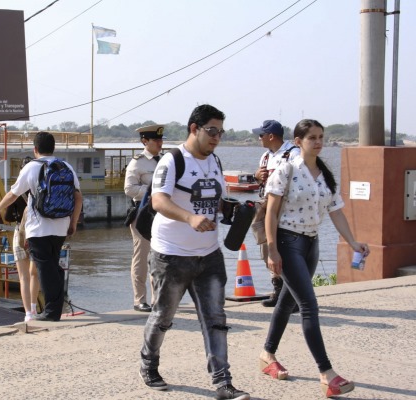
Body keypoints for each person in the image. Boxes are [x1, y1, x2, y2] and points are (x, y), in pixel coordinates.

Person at [139, 104, 250, 400]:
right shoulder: (173, 160)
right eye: (211, 131)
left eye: (220, 132)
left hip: (209, 255)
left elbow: (215, 201)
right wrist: (189, 217)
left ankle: (223, 382)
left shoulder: (215, 161)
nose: (216, 138)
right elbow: (158, 201)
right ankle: (149, 364)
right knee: (163, 316)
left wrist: (236, 211)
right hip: (171, 255)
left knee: (216, 319)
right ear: (194, 128)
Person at [259, 119, 368, 398]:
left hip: (311, 242)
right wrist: (272, 248)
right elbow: (271, 212)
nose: (318, 142)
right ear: (298, 141)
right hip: (288, 241)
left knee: (287, 301)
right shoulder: (286, 169)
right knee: (308, 304)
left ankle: (267, 355)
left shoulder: (324, 174)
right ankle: (327, 374)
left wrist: (353, 242)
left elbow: (336, 211)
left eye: (321, 137)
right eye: (312, 138)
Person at [0, 132, 83, 321]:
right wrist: (73, 222)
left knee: (45, 269)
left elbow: (13, 194)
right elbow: (78, 197)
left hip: (38, 228)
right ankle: (53, 309)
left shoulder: (31, 167)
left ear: (35, 149)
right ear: (53, 148)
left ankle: (51, 313)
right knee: (51, 266)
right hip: (61, 226)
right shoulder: (66, 166)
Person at [252, 120, 301, 307]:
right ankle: (278, 289)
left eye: (261, 135)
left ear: (271, 136)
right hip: (267, 208)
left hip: (285, 210)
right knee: (267, 248)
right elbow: (262, 184)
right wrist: (257, 177)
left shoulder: (293, 154)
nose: (259, 139)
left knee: (286, 250)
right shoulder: (265, 156)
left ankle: (292, 296)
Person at [123, 124, 164, 312]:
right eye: (156, 140)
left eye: (161, 139)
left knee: (160, 256)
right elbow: (129, 189)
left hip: (162, 215)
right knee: (141, 256)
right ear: (145, 141)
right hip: (142, 214)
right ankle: (139, 299)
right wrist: (151, 193)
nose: (160, 143)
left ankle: (159, 298)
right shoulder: (137, 163)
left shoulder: (164, 160)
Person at [12, 157, 41, 322]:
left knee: (23, 276)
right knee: (34, 274)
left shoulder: (17, 190)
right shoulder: (41, 188)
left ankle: (28, 313)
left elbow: (8, 215)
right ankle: (35, 308)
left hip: (21, 233)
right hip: (38, 233)